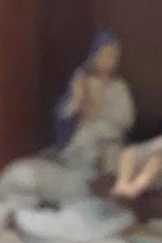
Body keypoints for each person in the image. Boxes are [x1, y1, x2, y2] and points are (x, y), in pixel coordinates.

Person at [54, 31, 136, 179]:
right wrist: (78, 100)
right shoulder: (83, 82)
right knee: (85, 146)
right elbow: (64, 115)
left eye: (114, 56)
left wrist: (101, 115)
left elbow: (127, 119)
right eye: (106, 54)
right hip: (85, 141)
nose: (110, 60)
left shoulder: (120, 86)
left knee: (111, 158)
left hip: (110, 139)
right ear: (95, 56)